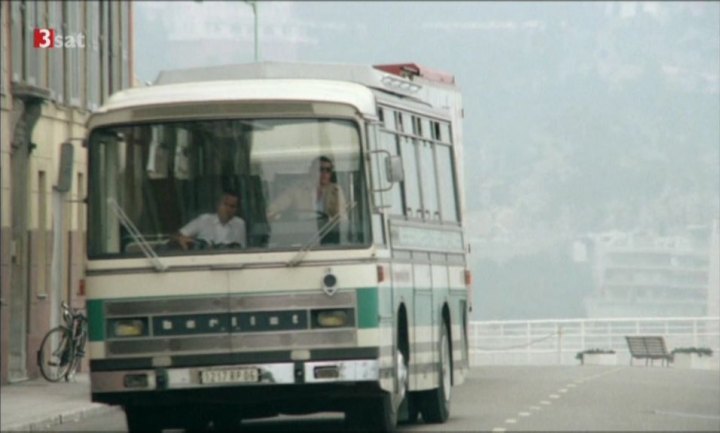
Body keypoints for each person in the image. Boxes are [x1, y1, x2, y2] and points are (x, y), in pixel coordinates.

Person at [266, 156, 347, 222]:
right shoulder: (296, 189)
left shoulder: (336, 190)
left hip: (328, 236)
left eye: (328, 170)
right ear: (311, 170)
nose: (324, 173)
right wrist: (279, 217)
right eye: (321, 169)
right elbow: (273, 209)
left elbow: (342, 218)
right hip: (302, 236)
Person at [173, 190, 246, 250]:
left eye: (232, 206)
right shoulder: (204, 220)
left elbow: (242, 250)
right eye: (225, 204)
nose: (228, 209)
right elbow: (177, 236)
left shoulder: (240, 224)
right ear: (218, 204)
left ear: (237, 209)